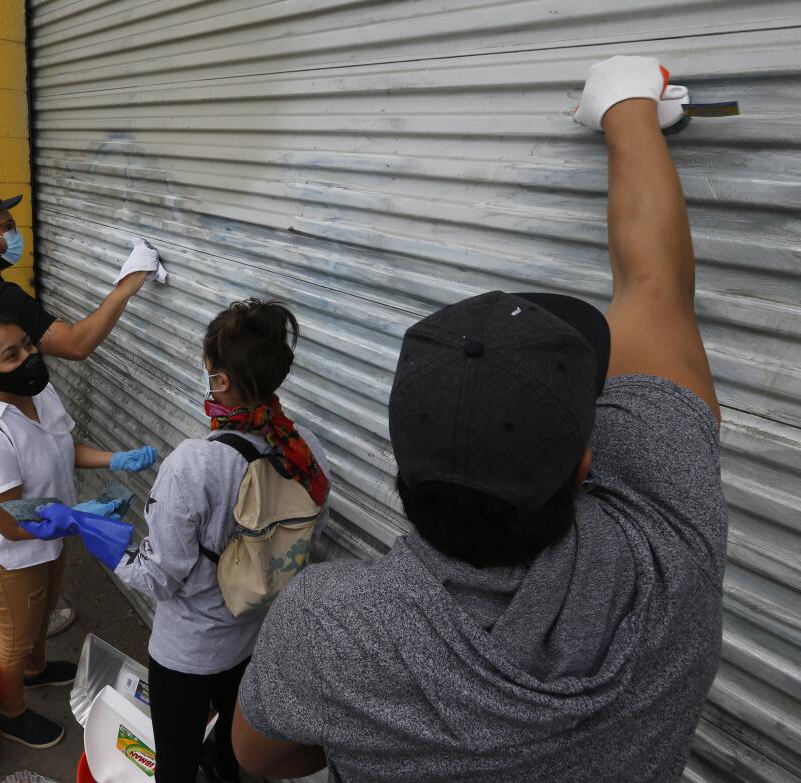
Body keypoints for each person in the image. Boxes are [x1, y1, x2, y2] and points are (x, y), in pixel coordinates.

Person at [232, 55, 726, 783]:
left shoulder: (328, 629)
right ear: (587, 464)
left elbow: (261, 756)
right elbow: (655, 289)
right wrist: (628, 105)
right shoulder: (669, 545)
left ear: (405, 469)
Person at [114, 299, 330, 783]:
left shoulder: (194, 464)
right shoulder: (304, 448)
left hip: (187, 654)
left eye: (209, 368)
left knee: (175, 767)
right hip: (254, 640)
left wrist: (107, 543)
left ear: (222, 380)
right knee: (236, 759)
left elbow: (159, 576)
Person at [0, 186, 161, 614]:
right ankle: (20, 608)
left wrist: (111, 459)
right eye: (6, 226)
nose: (15, 233)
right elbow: (75, 344)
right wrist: (127, 286)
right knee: (6, 520)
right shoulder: (1, 298)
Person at [0, 314, 156, 749]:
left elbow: (63, 446)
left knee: (41, 619)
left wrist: (116, 459)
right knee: (15, 639)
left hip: (51, 543)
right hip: (10, 558)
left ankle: (37, 671)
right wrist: (80, 515)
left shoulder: (39, 394)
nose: (30, 357)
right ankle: (13, 714)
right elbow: (10, 523)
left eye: (27, 345)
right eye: (12, 355)